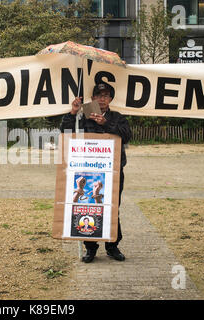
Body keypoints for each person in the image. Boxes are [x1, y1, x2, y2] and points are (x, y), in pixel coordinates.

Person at [60, 82, 132, 263]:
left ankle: (112, 246)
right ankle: (90, 248)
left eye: (106, 96)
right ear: (92, 98)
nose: (102, 99)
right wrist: (73, 112)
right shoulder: (82, 116)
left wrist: (106, 124)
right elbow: (65, 132)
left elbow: (127, 135)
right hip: (88, 171)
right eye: (99, 95)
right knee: (88, 207)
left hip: (113, 172)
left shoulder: (117, 117)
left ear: (111, 99)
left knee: (112, 208)